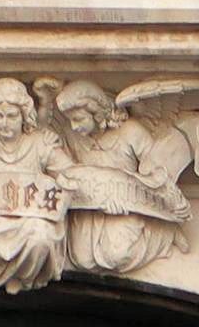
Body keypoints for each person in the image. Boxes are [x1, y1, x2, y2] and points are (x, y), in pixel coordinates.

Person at [0, 78, 72, 293]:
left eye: (11, 116)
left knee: (41, 238)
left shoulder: (40, 142)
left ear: (24, 115)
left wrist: (64, 180)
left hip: (34, 218)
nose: (4, 123)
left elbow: (69, 172)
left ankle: (25, 278)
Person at [54, 79, 183, 273]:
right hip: (90, 208)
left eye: (79, 119)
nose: (73, 126)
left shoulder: (131, 132)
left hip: (129, 206)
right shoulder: (73, 137)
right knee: (82, 259)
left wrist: (132, 199)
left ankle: (164, 233)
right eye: (71, 120)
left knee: (118, 255)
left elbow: (158, 171)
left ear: (96, 114)